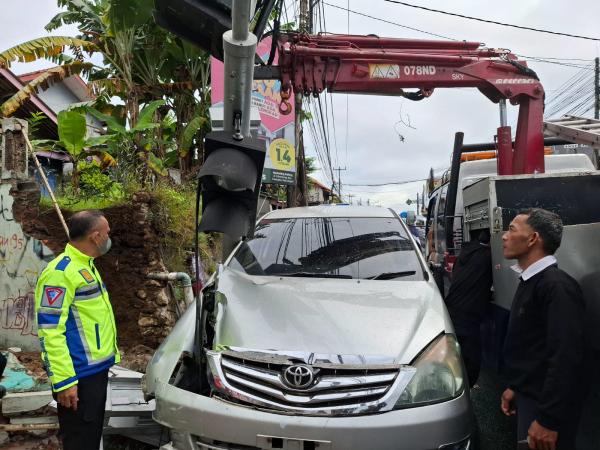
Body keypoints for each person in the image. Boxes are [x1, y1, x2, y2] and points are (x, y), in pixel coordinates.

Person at [500, 208, 584, 450]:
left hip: (545, 410)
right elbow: (533, 348)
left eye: (512, 230)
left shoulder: (556, 287)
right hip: (530, 399)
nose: (504, 236)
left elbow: (565, 357)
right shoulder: (532, 281)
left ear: (533, 238)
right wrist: (516, 386)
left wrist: (548, 420)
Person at [35, 210, 119, 450]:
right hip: (78, 376)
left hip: (95, 371)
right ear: (95, 237)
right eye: (107, 232)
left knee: (90, 438)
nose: (109, 236)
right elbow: (50, 331)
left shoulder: (87, 266)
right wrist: (64, 382)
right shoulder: (60, 273)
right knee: (80, 441)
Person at [444, 229, 493, 387]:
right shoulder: (487, 256)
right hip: (470, 313)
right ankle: (467, 387)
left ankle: (453, 382)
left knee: (455, 352)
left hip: (453, 308)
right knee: (471, 354)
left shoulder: (464, 254)